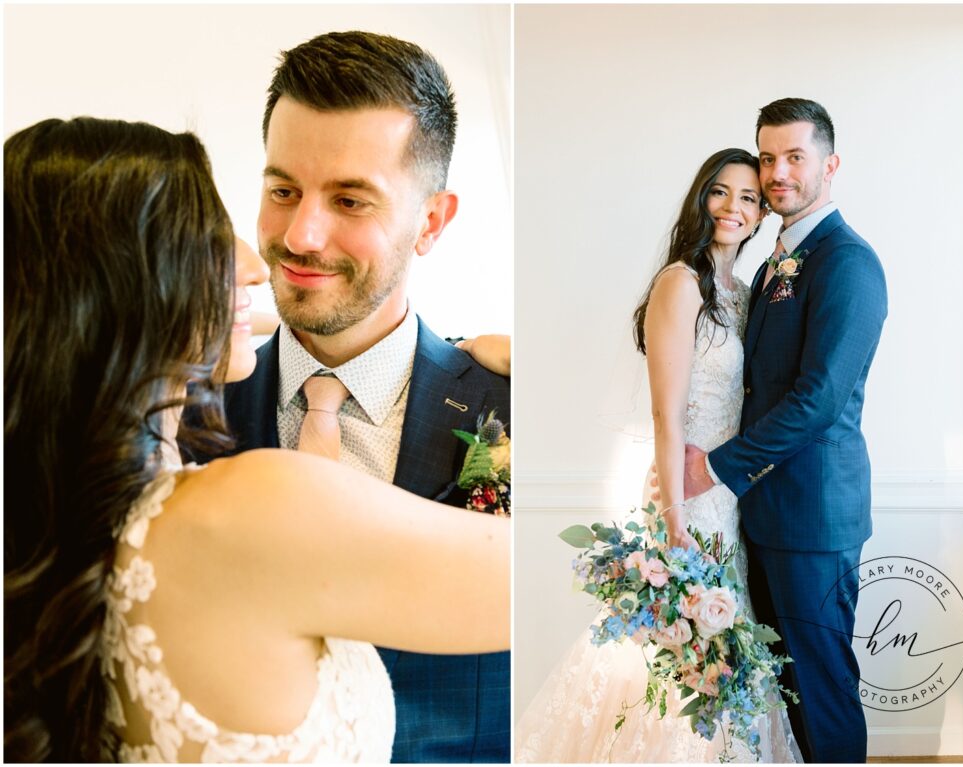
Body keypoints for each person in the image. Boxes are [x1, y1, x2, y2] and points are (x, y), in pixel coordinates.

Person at [3, 116, 510, 763]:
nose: (252, 260)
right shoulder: (254, 497)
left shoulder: (46, 504)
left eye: (350, 199)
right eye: (210, 237)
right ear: (128, 286)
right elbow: (585, 566)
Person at [206, 32, 511, 763]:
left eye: (349, 199)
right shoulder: (182, 408)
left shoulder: (509, 405)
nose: (300, 235)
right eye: (283, 191)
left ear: (431, 221)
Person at [514, 148, 802, 763]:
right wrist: (673, 521)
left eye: (749, 198)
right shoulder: (681, 282)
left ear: (760, 214)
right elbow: (666, 415)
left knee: (725, 649)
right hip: (688, 496)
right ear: (702, 199)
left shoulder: (744, 293)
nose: (734, 207)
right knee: (680, 654)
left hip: (730, 495)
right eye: (721, 192)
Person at [683, 98, 887, 763]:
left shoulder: (848, 262)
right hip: (762, 517)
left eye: (795, 157)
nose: (778, 173)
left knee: (821, 693)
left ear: (829, 165)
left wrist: (715, 467)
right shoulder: (770, 265)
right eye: (768, 158)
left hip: (812, 519)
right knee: (782, 694)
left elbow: (819, 398)